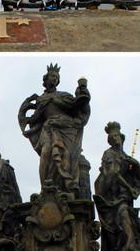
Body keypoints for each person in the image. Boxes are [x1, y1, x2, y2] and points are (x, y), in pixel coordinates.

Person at [18, 64, 91, 195]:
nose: (55, 79)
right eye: (53, 76)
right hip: (48, 128)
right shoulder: (41, 99)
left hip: (66, 128)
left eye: (57, 77)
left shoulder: (63, 95)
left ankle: (66, 187)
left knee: (66, 156)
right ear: (46, 79)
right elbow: (36, 118)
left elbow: (78, 106)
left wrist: (83, 92)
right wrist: (25, 110)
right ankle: (45, 187)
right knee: (46, 154)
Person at [94, 121, 140, 251]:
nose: (114, 139)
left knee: (125, 216)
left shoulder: (126, 157)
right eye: (111, 138)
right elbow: (113, 174)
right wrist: (129, 189)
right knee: (118, 218)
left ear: (121, 138)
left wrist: (136, 165)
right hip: (109, 195)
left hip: (122, 196)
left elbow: (139, 175)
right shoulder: (108, 154)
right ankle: (125, 248)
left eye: (116, 136)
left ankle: (127, 247)